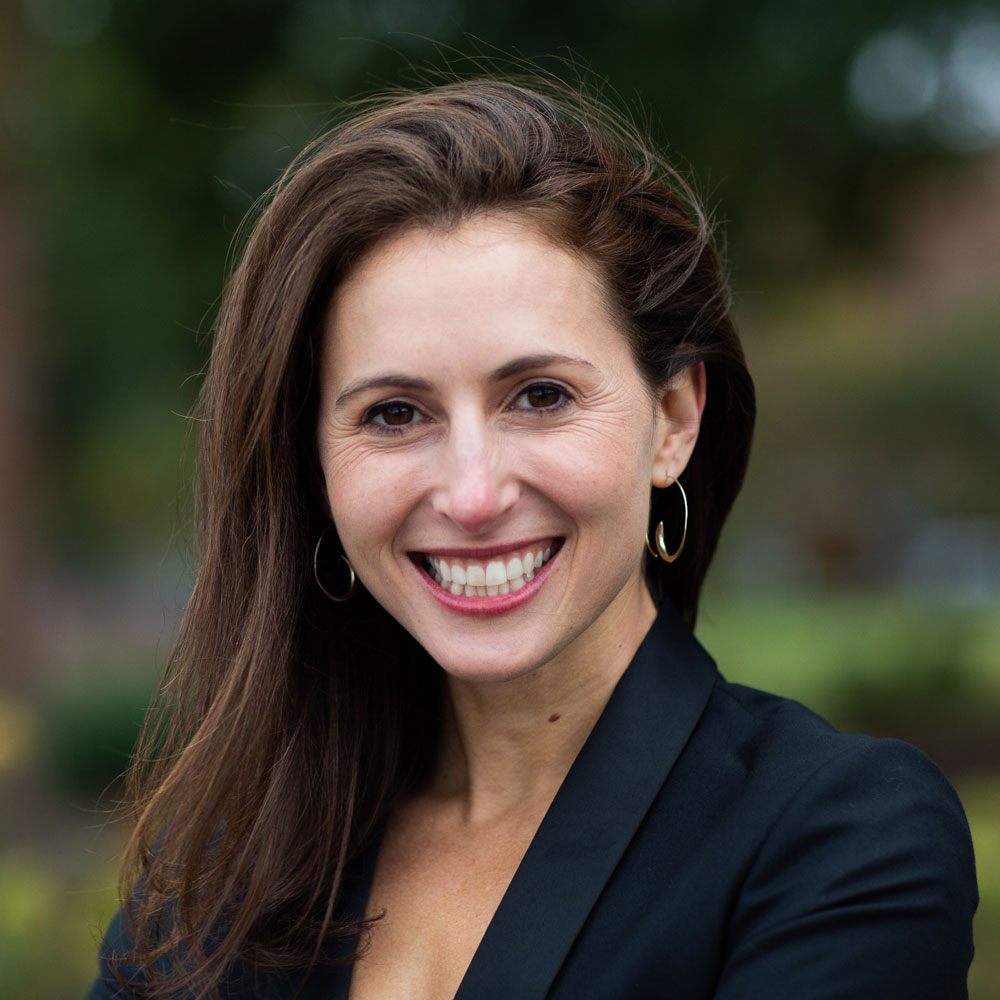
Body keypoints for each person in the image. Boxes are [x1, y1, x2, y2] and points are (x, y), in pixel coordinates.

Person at [88, 77, 977, 1000]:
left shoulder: (838, 841)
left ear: (674, 420)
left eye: (541, 396)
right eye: (395, 413)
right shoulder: (222, 877)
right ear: (315, 467)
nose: (473, 495)